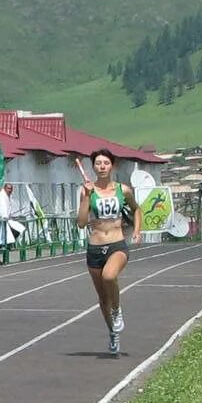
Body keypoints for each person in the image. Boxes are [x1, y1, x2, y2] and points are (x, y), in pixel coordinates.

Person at [77, 151, 140, 355]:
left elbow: (137, 210)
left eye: (105, 163)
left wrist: (137, 231)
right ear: (93, 167)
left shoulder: (123, 190)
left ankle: (117, 309)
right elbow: (81, 223)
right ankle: (113, 333)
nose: (102, 166)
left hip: (117, 244)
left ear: (112, 166)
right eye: (98, 163)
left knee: (109, 276)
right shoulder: (87, 190)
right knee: (103, 297)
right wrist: (86, 197)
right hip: (95, 247)